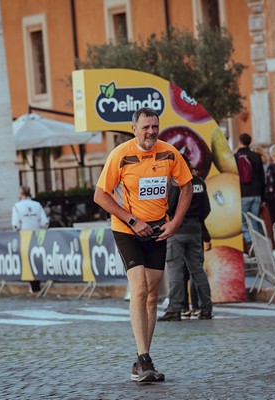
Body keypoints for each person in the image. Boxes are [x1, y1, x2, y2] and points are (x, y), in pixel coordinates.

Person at [94, 107, 193, 383]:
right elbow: (100, 196)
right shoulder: (120, 154)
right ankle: (144, 359)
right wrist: (132, 220)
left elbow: (187, 186)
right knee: (138, 289)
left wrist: (174, 224)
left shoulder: (169, 153)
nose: (151, 131)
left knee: (152, 294)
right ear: (133, 129)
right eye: (146, 127)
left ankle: (142, 359)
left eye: (155, 126)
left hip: (158, 229)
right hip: (127, 229)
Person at [158, 155, 212, 321]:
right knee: (197, 269)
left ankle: (175, 308)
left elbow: (169, 205)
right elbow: (206, 209)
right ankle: (206, 308)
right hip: (195, 229)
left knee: (175, 270)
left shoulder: (176, 181)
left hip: (177, 229)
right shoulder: (200, 182)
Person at [235, 133, 265, 250]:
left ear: (240, 141)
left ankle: (249, 240)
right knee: (254, 221)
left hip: (243, 193)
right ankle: (256, 244)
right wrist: (263, 197)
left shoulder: (236, 156)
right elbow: (262, 178)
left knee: (242, 221)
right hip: (257, 193)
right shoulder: (256, 156)